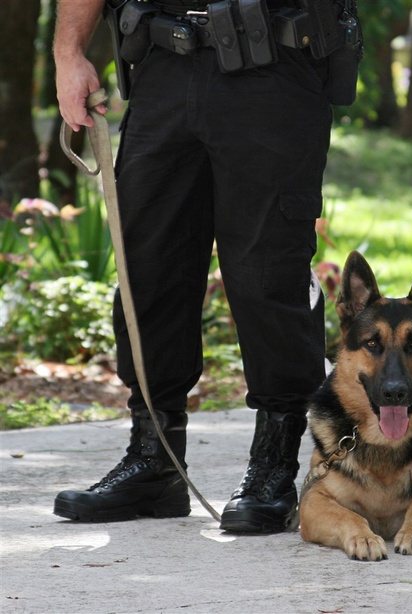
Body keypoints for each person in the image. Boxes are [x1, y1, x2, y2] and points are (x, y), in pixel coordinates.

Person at [52, 0, 341, 534]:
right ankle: (153, 462)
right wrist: (68, 53)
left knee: (267, 272)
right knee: (148, 267)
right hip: (163, 65)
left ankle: (273, 467)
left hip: (272, 65)